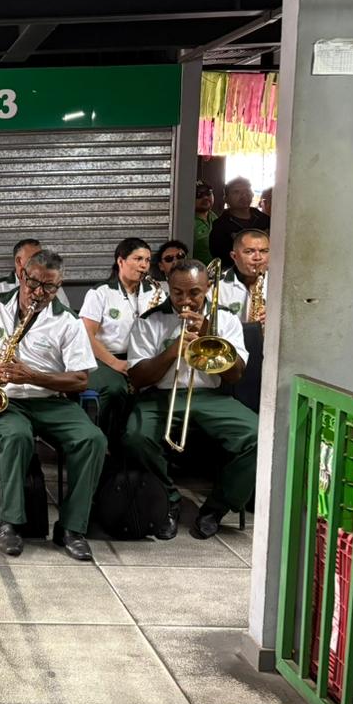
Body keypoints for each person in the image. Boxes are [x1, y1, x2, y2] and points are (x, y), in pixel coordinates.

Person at [0, 250, 103, 560]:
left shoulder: (67, 321)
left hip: (51, 401)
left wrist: (33, 376)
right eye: (33, 283)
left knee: (92, 440)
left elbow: (80, 380)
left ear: (59, 285)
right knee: (15, 437)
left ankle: (71, 528)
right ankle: (11, 524)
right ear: (21, 275)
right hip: (7, 402)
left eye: (48, 287)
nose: (38, 293)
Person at [123, 259, 257, 540]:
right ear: (168, 289)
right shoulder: (150, 321)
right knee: (135, 436)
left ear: (208, 287)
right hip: (160, 395)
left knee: (258, 436)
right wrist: (172, 351)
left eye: (194, 292)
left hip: (210, 396)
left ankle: (215, 509)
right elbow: (137, 378)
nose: (185, 301)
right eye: (177, 293)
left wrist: (209, 333)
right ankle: (169, 500)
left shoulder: (227, 319)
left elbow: (235, 376)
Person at [79, 237, 161, 435]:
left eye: (148, 260)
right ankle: (108, 440)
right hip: (104, 359)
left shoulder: (155, 292)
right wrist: (115, 363)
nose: (144, 265)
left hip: (141, 358)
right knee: (116, 389)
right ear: (121, 261)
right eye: (138, 259)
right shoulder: (100, 293)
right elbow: (86, 335)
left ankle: (139, 438)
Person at [0, 238, 70, 319]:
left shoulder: (54, 289)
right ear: (19, 261)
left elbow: (65, 319)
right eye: (34, 258)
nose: (40, 263)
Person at [209, 177, 271, 269]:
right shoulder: (221, 225)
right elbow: (221, 257)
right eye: (236, 192)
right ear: (226, 198)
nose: (243, 195)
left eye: (247, 191)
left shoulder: (265, 220)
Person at [218, 229, 270, 323]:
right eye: (249, 252)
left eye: (264, 251)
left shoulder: (282, 284)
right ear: (234, 256)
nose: (258, 258)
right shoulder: (218, 287)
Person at [193, 181, 218, 265]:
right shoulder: (187, 221)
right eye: (198, 194)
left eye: (208, 193)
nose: (205, 197)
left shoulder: (213, 216)